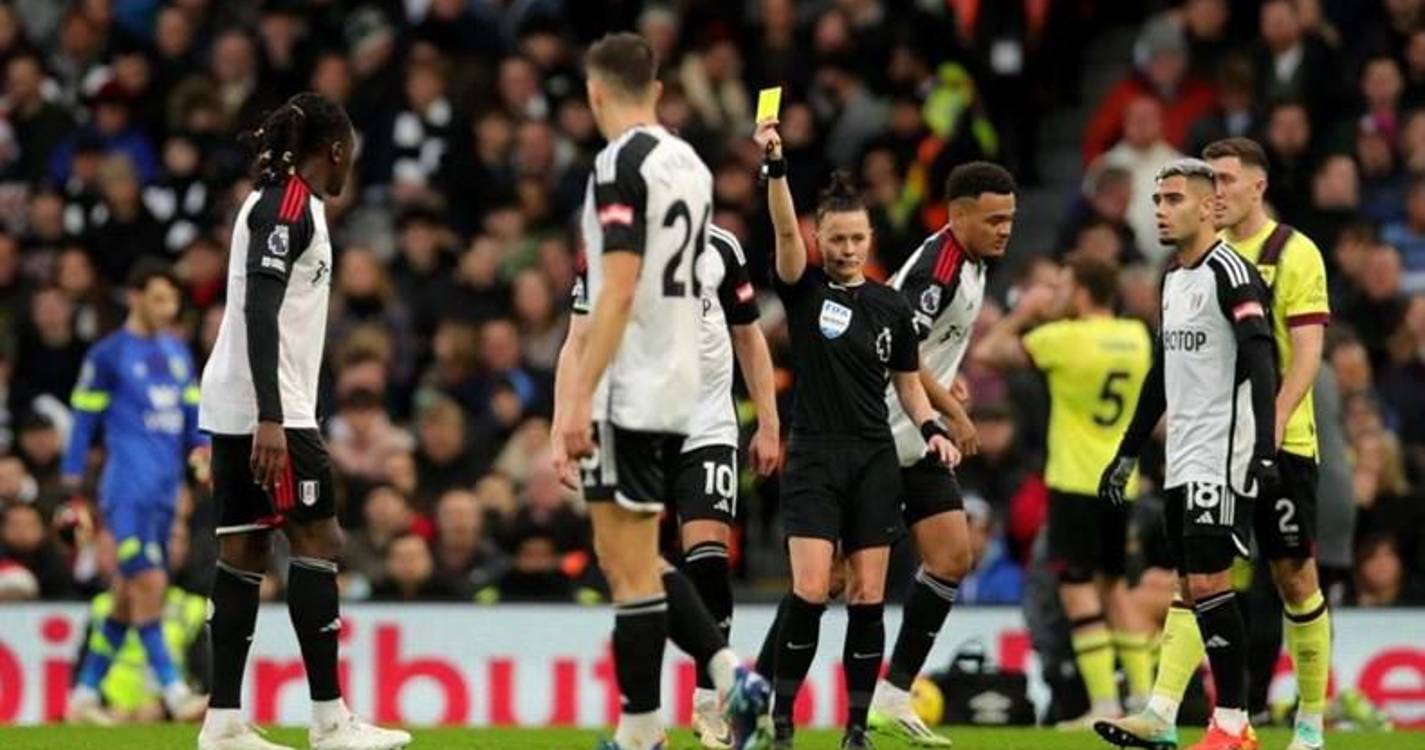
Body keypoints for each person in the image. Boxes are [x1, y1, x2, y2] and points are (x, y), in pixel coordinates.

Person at [549, 33, 768, 750]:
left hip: (631, 385)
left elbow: (614, 290)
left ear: (594, 94)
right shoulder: (691, 165)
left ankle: (662, 718)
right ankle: (676, 706)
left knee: (625, 560)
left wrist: (579, 398)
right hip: (683, 389)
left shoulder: (617, 165)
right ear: (659, 91)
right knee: (635, 558)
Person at [1102, 137, 1335, 750]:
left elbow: (1300, 353)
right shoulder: (1184, 269)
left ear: (1254, 185)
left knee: (1292, 579)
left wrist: (1272, 428)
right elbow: (1167, 366)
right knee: (1196, 577)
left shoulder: (1290, 253)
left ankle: (1308, 723)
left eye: (1226, 179)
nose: (1221, 188)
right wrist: (1132, 446)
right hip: (1207, 444)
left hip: (1279, 437)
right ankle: (1170, 711)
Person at [195, 92, 409, 750]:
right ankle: (329, 722)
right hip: (271, 409)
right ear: (336, 150)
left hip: (243, 401)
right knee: (320, 543)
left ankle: (223, 722)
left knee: (245, 552)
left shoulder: (281, 203)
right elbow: (259, 311)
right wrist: (270, 418)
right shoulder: (288, 206)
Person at [752, 116, 958, 750]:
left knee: (869, 596)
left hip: (873, 458)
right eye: (836, 239)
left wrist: (932, 427)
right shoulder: (805, 290)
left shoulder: (890, 306)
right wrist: (776, 167)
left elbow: (907, 383)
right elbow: (783, 228)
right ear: (820, 238)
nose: (846, 249)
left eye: (856, 239)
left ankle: (856, 729)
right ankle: (780, 723)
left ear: (870, 239)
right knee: (811, 591)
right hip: (814, 453)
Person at [559, 215, 780, 749]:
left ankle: (709, 703)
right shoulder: (605, 252)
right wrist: (561, 422)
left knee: (703, 555)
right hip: (635, 426)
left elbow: (748, 337)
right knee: (626, 567)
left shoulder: (721, 248)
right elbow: (577, 340)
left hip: (706, 423)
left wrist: (770, 422)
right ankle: (656, 717)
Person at [861, 161, 1017, 746]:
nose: (1005, 230)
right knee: (826, 580)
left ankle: (894, 696)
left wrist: (948, 383)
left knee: (952, 556)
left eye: (1010, 220)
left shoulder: (973, 264)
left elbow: (925, 350)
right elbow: (896, 345)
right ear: (958, 215)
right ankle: (750, 689)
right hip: (880, 433)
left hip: (918, 435)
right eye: (994, 219)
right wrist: (952, 413)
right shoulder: (939, 268)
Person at [974, 256, 1157, 723]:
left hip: (1076, 480)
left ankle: (1104, 705)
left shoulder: (1064, 339)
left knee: (1078, 589)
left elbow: (989, 352)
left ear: (1079, 292)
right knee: (1115, 589)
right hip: (1123, 481)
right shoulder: (1137, 338)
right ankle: (1143, 699)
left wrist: (1028, 313)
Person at [63, 260, 209, 725]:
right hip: (125, 491)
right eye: (160, 298)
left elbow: (191, 421)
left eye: (174, 300)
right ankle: (175, 690)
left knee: (128, 593)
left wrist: (201, 453)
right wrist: (71, 490)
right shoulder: (108, 355)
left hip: (166, 493)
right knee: (150, 583)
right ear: (136, 297)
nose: (169, 309)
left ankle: (84, 695)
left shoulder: (179, 354)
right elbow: (84, 424)